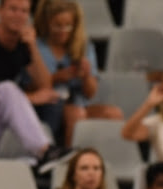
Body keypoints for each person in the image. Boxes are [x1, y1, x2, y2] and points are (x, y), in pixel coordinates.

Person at [0, 0, 71, 171]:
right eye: (13, 9)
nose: (19, 16)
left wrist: (33, 47)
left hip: (2, 127)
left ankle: (45, 155)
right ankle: (45, 152)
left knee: (49, 102)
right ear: (0, 12)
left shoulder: (23, 44)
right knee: (7, 89)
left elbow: (45, 85)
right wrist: (31, 98)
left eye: (24, 11)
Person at [32, 0, 123, 147]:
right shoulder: (36, 47)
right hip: (48, 107)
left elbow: (91, 93)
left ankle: (104, 161)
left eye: (68, 25)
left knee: (114, 114)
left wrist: (86, 75)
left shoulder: (83, 46)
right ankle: (70, 161)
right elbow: (29, 86)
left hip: (79, 103)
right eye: (57, 25)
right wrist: (57, 78)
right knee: (76, 114)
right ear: (47, 23)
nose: (63, 30)